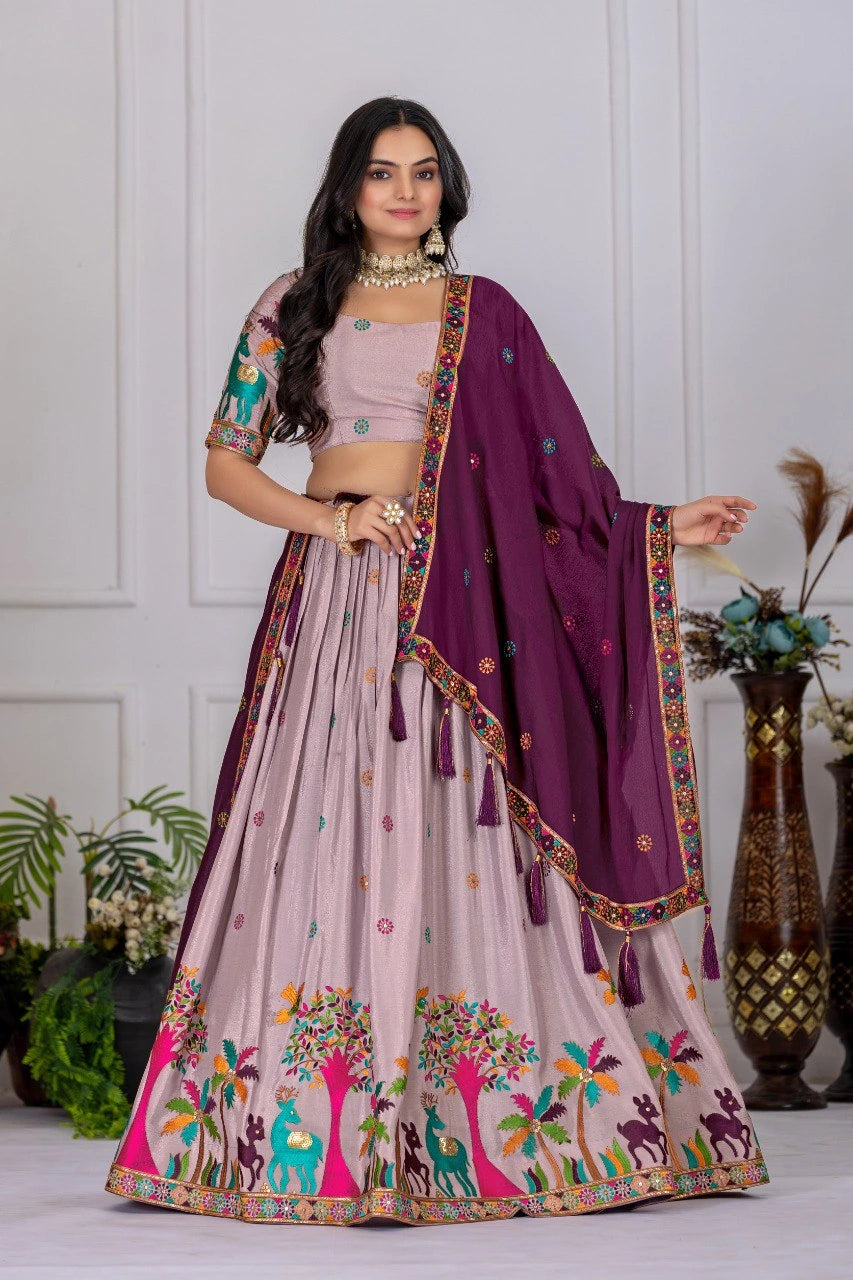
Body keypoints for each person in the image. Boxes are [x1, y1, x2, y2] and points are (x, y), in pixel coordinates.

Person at [105, 97, 768, 1226]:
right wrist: (335, 523)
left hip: (468, 606)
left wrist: (659, 528)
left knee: (464, 836)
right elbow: (227, 463)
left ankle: (491, 1125)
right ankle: (309, 1122)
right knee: (327, 833)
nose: (404, 192)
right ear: (347, 188)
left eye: (423, 173)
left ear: (446, 188)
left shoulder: (486, 315)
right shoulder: (292, 303)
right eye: (381, 173)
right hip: (338, 600)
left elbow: (567, 494)